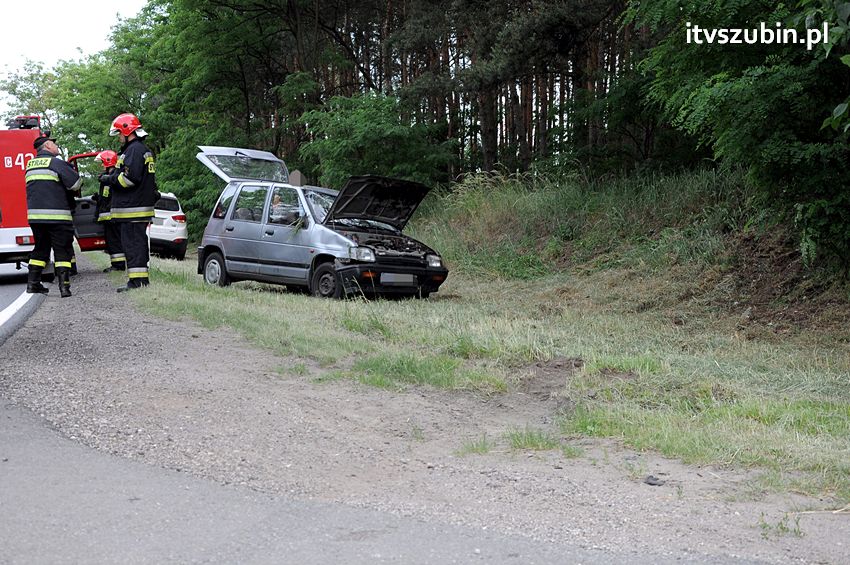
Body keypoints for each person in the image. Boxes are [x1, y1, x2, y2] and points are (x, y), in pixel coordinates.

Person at [101, 113, 158, 292]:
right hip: (136, 208)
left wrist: (109, 180)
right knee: (135, 245)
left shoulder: (134, 150)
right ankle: (138, 281)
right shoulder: (141, 150)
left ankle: (137, 282)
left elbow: (129, 180)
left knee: (133, 246)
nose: (118, 138)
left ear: (127, 131)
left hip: (133, 208)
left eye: (119, 134)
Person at [24, 134, 81, 297]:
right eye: (54, 144)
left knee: (40, 249)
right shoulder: (56, 163)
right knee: (62, 251)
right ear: (48, 146)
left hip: (36, 218)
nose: (57, 147)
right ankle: (64, 288)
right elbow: (76, 184)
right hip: (58, 217)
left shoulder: (30, 165)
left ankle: (32, 283)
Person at [92, 150, 126, 272]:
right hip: (109, 217)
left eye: (102, 162)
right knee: (112, 242)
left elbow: (113, 196)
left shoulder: (113, 177)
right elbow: (107, 196)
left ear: (108, 161)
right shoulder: (108, 177)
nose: (101, 165)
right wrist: (98, 198)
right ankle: (117, 265)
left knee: (115, 242)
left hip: (113, 217)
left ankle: (118, 266)